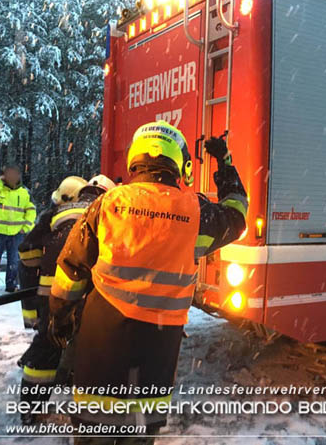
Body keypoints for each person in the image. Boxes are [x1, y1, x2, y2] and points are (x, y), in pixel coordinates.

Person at [48, 121, 248, 444]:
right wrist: (224, 163)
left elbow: (70, 270)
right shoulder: (196, 214)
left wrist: (60, 318)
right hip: (155, 361)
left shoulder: (108, 205)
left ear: (135, 160)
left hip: (99, 356)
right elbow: (237, 215)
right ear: (178, 162)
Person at [17, 174, 116, 424]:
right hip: (86, 293)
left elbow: (27, 253)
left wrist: (45, 267)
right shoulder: (107, 213)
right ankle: (87, 416)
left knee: (46, 347)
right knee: (90, 348)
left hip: (52, 291)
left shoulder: (55, 213)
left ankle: (31, 411)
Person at [0, 164, 36, 296]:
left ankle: (11, 285)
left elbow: (31, 211)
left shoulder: (25, 192)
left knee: (14, 260)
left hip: (17, 233)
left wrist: (26, 227)